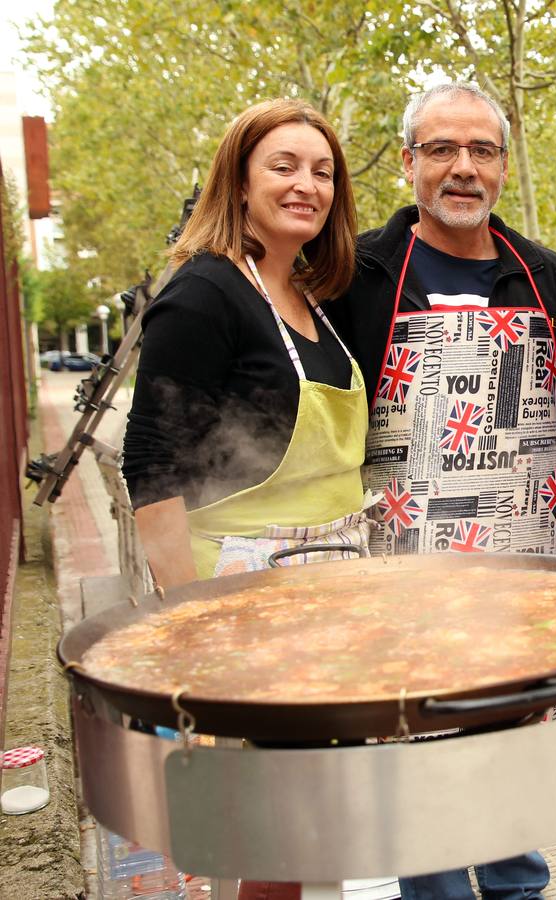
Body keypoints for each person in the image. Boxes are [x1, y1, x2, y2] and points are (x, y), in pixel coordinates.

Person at [325, 82, 556, 900]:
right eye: (443, 150)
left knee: (516, 756)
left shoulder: (552, 278)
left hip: (524, 571)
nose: (463, 169)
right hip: (402, 572)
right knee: (424, 764)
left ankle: (520, 887)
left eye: (482, 151)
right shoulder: (356, 274)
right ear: (410, 162)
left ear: (502, 167)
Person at [122, 98, 365, 900]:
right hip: (240, 606)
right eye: (284, 166)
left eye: (323, 171)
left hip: (326, 598)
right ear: (240, 178)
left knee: (308, 832)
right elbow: (151, 462)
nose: (307, 185)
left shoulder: (307, 297)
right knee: (271, 837)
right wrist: (183, 624)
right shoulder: (204, 295)